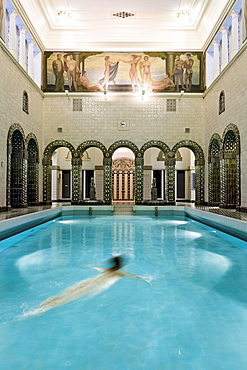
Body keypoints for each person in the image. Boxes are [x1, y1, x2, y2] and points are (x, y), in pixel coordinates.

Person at [21, 255, 142, 318]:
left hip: (89, 280)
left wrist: (93, 267)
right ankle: (38, 311)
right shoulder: (119, 272)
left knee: (67, 292)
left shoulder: (108, 269)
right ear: (120, 264)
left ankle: (47, 302)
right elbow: (132, 276)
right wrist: (143, 278)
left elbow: (99, 268)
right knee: (69, 297)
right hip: (95, 285)